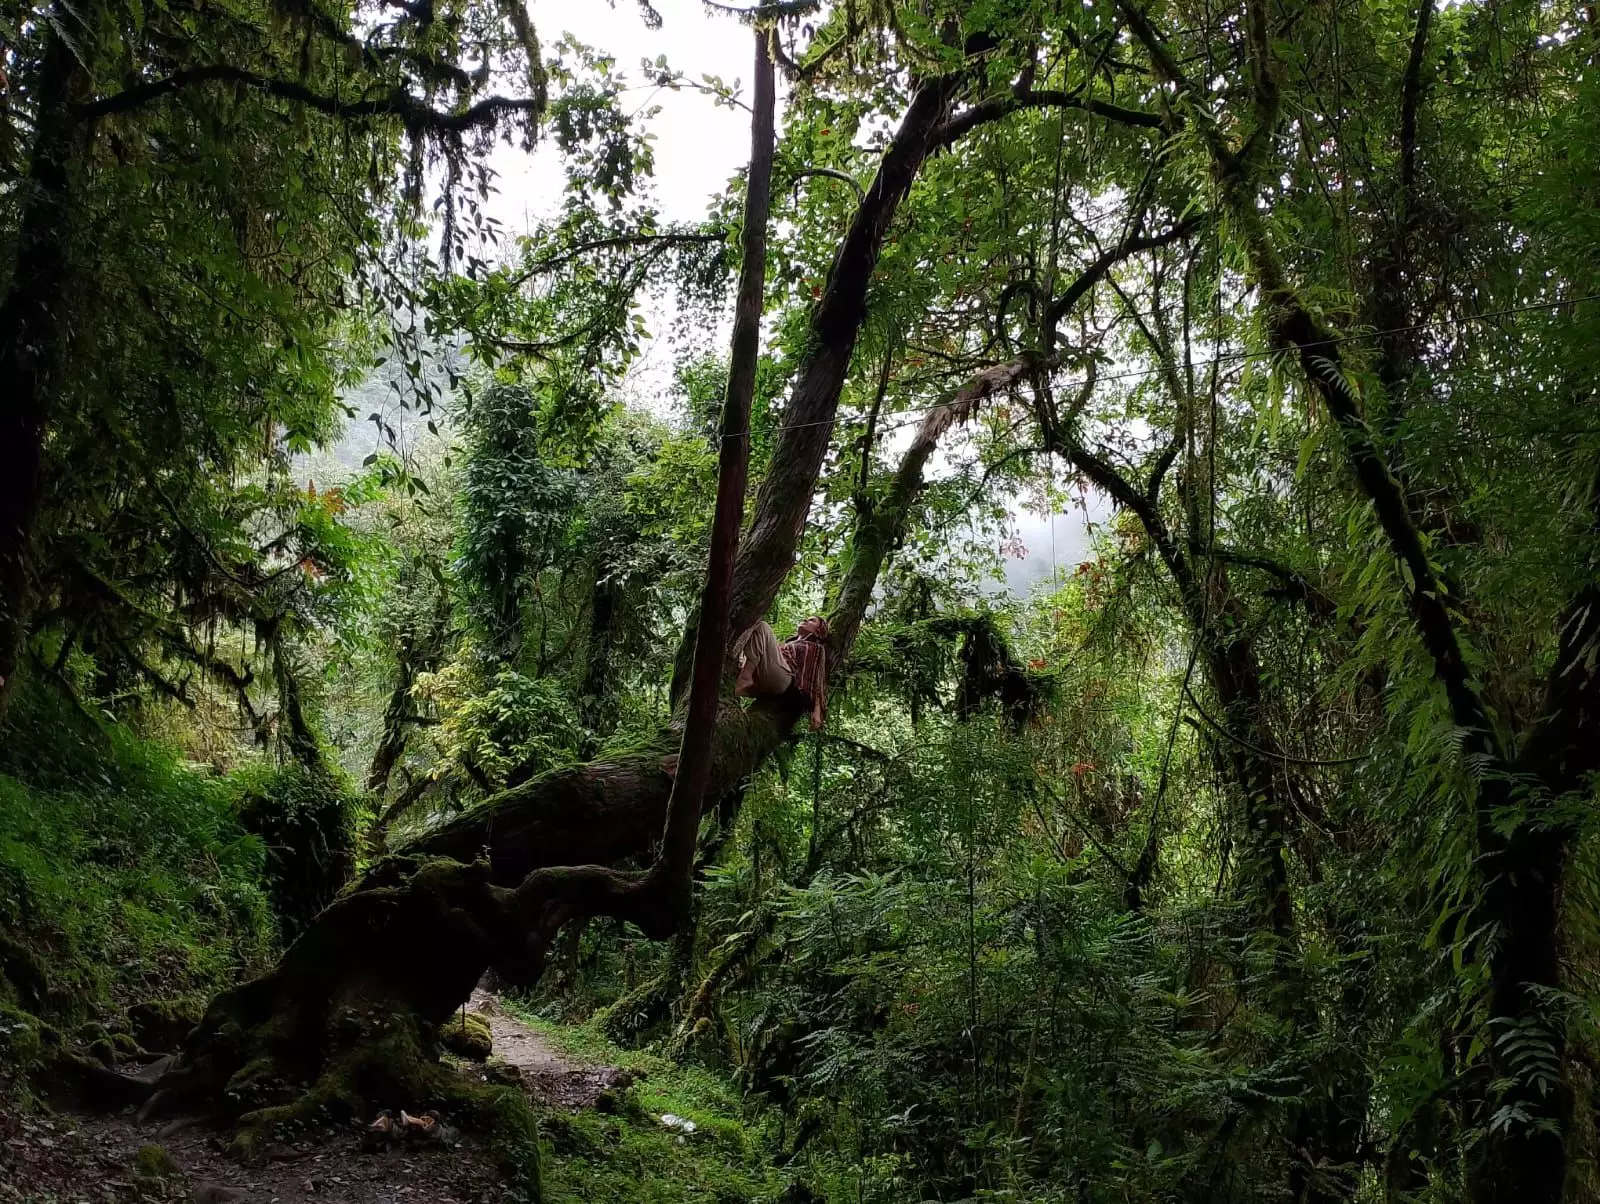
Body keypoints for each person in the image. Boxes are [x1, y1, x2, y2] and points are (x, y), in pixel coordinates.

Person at [734, 615, 829, 731]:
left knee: (762, 626)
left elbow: (817, 678)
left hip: (784, 680)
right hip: (766, 677)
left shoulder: (816, 648)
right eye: (806, 618)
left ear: (819, 630)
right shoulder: (789, 644)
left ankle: (745, 678)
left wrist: (817, 711)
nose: (805, 620)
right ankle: (744, 683)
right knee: (752, 630)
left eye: (812, 620)